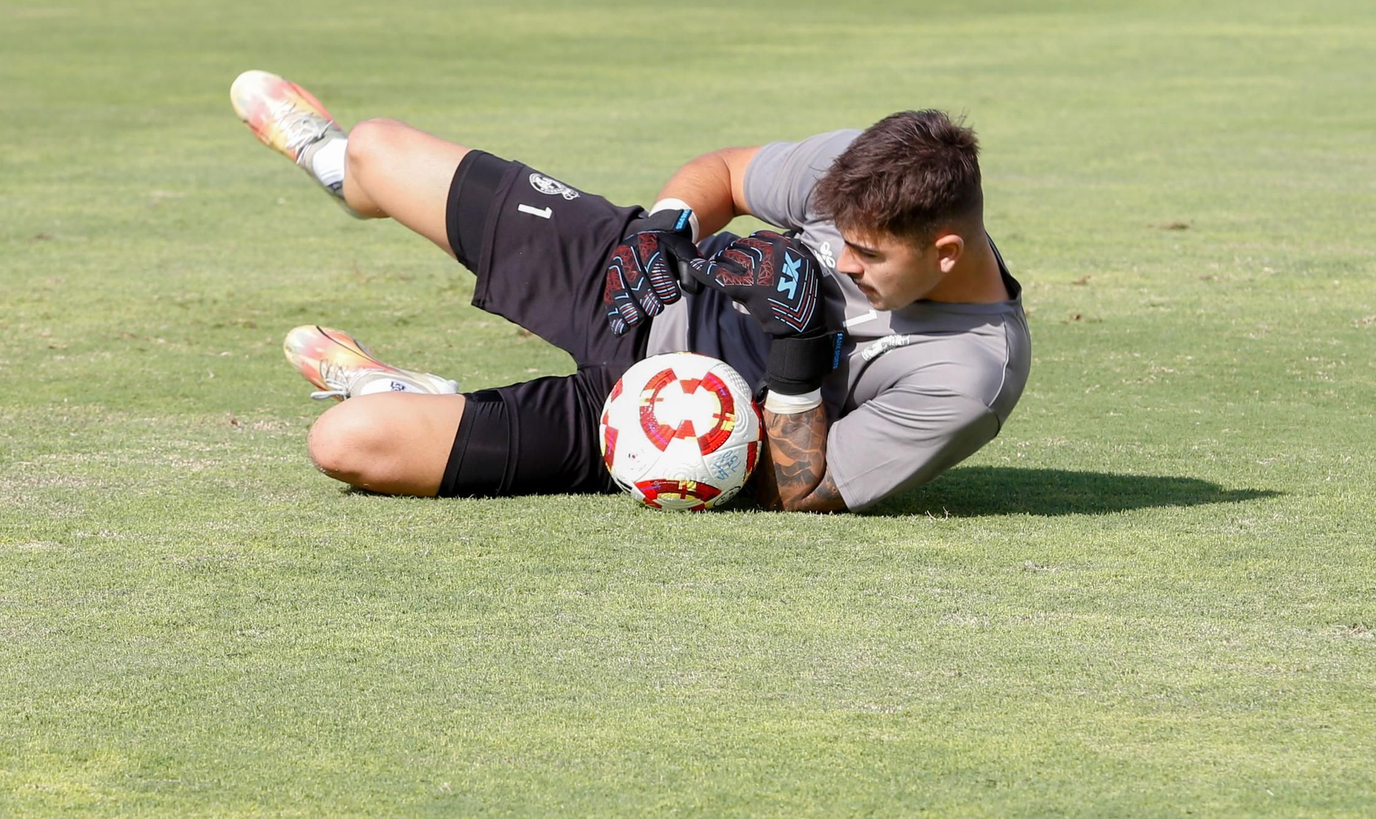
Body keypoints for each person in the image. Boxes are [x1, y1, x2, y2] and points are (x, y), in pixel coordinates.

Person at [229, 70, 1030, 512]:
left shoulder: (965, 378)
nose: (846, 262)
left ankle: (407, 396)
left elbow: (803, 491)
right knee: (377, 148)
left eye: (864, 256)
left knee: (345, 444)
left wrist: (795, 359)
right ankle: (339, 173)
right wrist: (666, 229)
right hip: (635, 282)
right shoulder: (867, 167)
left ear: (947, 251)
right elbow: (725, 172)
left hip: (662, 422)